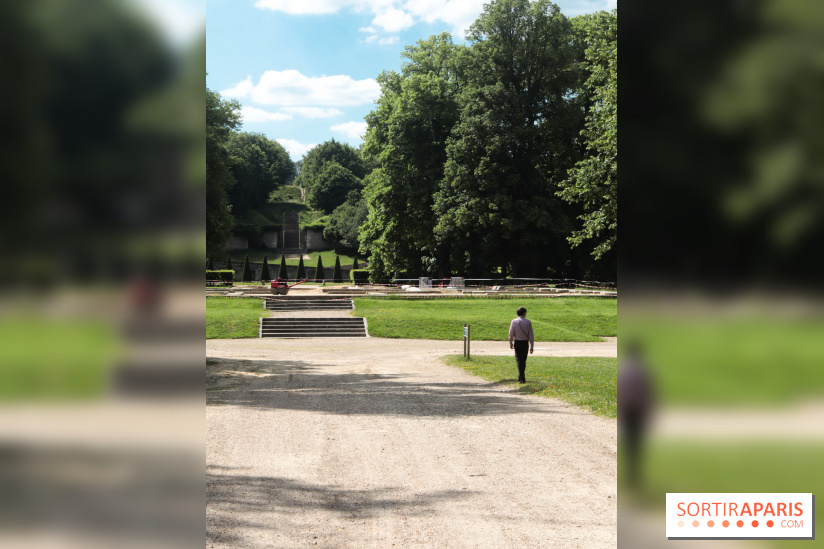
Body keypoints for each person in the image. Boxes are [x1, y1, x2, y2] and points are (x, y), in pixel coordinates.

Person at [508, 306, 534, 383]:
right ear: (524, 313)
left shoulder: (514, 321)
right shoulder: (528, 322)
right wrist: (532, 346)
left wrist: (510, 342)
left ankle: (521, 376)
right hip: (525, 342)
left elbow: (511, 333)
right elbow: (531, 335)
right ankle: (521, 376)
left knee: (519, 360)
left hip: (517, 342)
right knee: (523, 360)